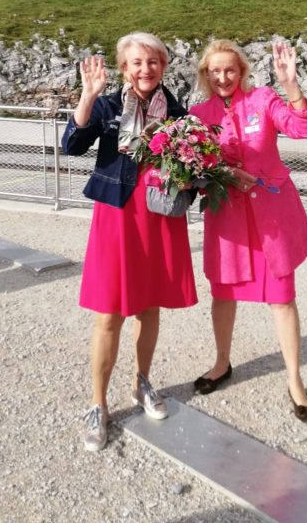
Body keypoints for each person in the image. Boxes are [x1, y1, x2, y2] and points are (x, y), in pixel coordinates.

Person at [62, 32, 198, 451]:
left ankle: (142, 382)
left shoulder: (176, 110)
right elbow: (72, 145)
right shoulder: (107, 104)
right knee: (109, 313)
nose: (146, 69)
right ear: (125, 68)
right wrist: (87, 95)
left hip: (158, 215)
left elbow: (193, 159)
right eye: (137, 62)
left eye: (154, 62)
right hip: (118, 214)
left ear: (163, 67)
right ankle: (98, 403)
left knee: (150, 304)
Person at [190, 39, 307, 422]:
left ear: (242, 71)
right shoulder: (199, 113)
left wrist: (291, 86)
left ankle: (295, 380)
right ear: (206, 75)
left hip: (271, 215)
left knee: (281, 297)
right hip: (227, 217)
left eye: (230, 69)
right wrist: (225, 172)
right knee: (224, 292)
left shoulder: (264, 99)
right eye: (215, 71)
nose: (223, 77)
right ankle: (222, 363)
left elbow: (302, 129)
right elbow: (195, 166)